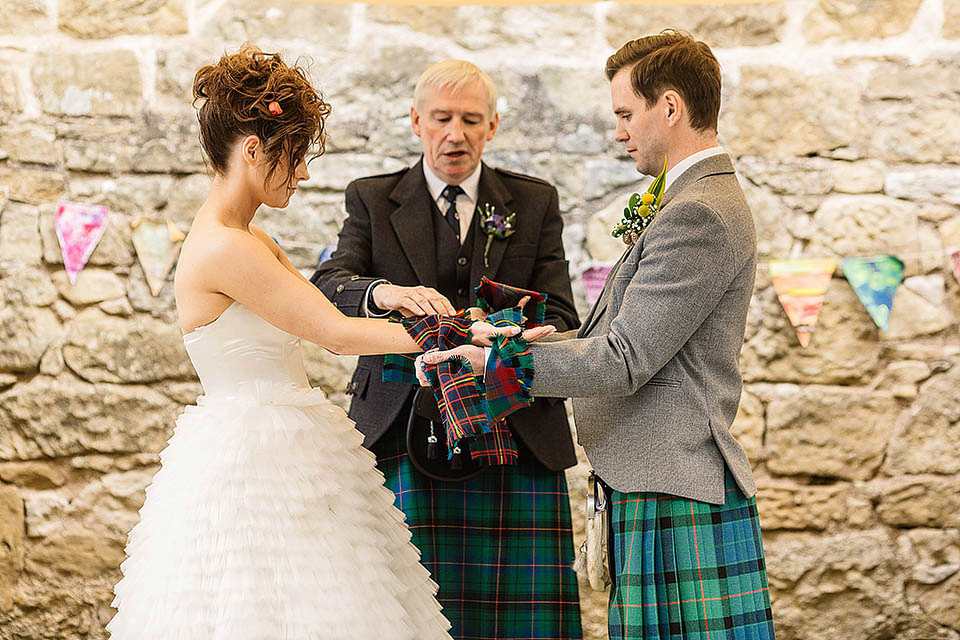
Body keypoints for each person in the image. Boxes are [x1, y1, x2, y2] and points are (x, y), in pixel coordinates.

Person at [105, 45, 544, 639]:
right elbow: (336, 333)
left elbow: (322, 313)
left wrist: (472, 329)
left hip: (287, 439)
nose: (304, 173)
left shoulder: (249, 237)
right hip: (257, 458)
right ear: (256, 150)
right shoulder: (227, 248)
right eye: (296, 155)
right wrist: (464, 335)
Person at [424, 32, 776, 640]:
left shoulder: (699, 210)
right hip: (654, 477)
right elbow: (609, 335)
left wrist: (496, 366)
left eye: (624, 114)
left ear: (669, 107)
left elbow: (623, 360)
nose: (618, 133)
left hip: (671, 482)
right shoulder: (688, 198)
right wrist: (496, 341)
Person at [311, 59, 583, 639]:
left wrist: (493, 325)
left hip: (515, 430)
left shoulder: (533, 203)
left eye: (469, 119)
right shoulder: (372, 198)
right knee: (407, 616)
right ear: (415, 121)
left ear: (493, 127)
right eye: (440, 118)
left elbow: (560, 315)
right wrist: (388, 293)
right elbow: (330, 286)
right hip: (401, 428)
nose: (454, 134)